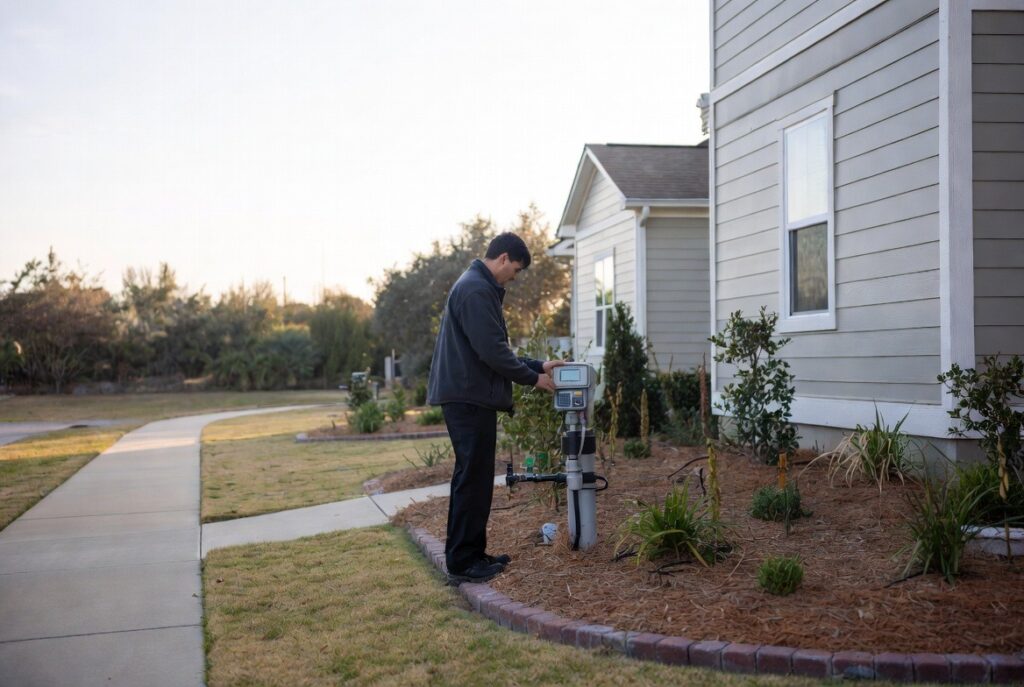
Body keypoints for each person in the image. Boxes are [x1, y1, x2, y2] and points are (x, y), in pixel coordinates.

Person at [427, 232, 563, 583]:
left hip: (469, 396)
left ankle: (472, 553)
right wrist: (533, 379)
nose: (514, 278)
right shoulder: (476, 289)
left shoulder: (476, 286)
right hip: (468, 398)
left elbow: (491, 348)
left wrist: (537, 365)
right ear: (503, 258)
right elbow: (492, 352)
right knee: (472, 479)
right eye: (515, 270)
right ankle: (463, 561)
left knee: (473, 479)